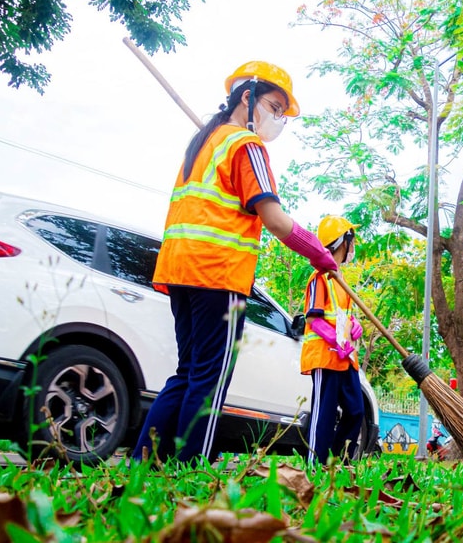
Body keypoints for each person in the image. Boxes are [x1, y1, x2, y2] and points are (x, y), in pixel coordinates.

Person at [132, 61, 338, 464]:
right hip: (218, 272)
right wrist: (317, 251)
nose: (277, 118)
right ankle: (191, 467)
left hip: (179, 269)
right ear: (247, 97)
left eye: (282, 112)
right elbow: (275, 220)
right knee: (209, 378)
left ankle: (144, 461)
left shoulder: (205, 142)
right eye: (274, 106)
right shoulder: (246, 145)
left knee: (188, 372)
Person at [301, 215, 365, 465]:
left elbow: (344, 317)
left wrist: (355, 326)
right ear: (343, 242)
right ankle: (315, 465)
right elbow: (313, 320)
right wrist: (334, 339)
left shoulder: (340, 279)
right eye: (353, 240)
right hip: (325, 356)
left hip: (346, 358)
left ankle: (336, 461)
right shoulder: (320, 278)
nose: (354, 247)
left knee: (356, 411)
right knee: (324, 414)